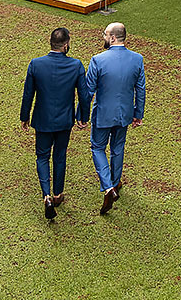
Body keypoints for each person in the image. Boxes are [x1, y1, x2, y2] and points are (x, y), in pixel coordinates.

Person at [20, 27, 90, 220]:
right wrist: (84, 116)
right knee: (59, 156)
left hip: (42, 120)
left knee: (42, 157)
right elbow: (84, 95)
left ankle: (46, 195)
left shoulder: (36, 64)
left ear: (51, 42)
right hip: (64, 121)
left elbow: (28, 95)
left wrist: (24, 117)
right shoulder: (76, 65)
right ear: (66, 44)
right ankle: (58, 194)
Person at [85, 23, 146, 215]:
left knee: (97, 147)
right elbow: (141, 89)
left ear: (112, 38)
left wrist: (81, 115)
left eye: (105, 34)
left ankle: (108, 186)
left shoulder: (97, 60)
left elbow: (88, 91)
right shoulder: (137, 59)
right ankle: (116, 182)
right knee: (118, 148)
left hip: (103, 114)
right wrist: (138, 113)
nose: (103, 37)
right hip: (124, 114)